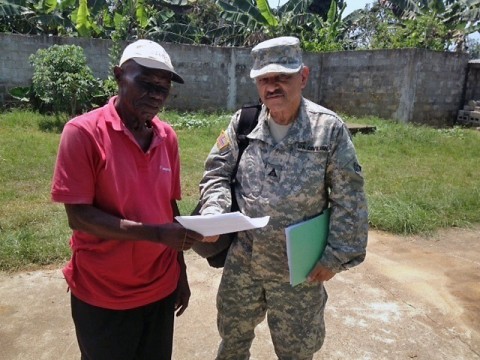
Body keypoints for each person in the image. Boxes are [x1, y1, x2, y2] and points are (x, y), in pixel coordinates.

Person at [198, 36, 368, 359]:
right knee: (232, 340)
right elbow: (216, 172)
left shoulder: (327, 130)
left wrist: (335, 255)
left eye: (282, 77)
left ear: (303, 76)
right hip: (244, 262)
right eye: (264, 79)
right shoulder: (243, 123)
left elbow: (351, 198)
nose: (272, 86)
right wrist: (214, 213)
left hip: (299, 272)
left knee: (297, 351)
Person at [51, 39, 205, 360]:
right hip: (104, 293)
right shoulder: (82, 133)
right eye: (145, 83)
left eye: (162, 89)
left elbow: (169, 206)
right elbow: (78, 217)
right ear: (119, 75)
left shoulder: (167, 137)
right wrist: (156, 233)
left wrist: (180, 273)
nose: (155, 95)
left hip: (160, 288)